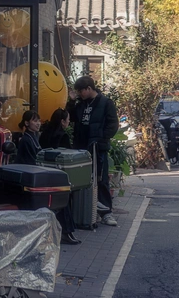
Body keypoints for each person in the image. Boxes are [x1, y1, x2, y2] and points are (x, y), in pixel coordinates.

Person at [15, 109, 80, 245]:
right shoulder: (27, 140)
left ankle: (66, 231)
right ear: (26, 123)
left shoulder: (35, 137)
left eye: (38, 120)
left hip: (38, 175)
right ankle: (66, 231)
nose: (38, 123)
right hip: (34, 179)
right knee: (61, 196)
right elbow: (31, 162)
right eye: (34, 121)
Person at [67, 76, 120, 226]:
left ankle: (106, 213)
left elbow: (113, 124)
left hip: (97, 148)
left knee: (101, 180)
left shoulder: (105, 103)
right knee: (81, 180)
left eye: (81, 91)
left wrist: (101, 138)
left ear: (89, 88)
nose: (79, 94)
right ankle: (85, 211)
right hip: (81, 148)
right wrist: (71, 102)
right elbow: (71, 118)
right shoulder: (81, 104)